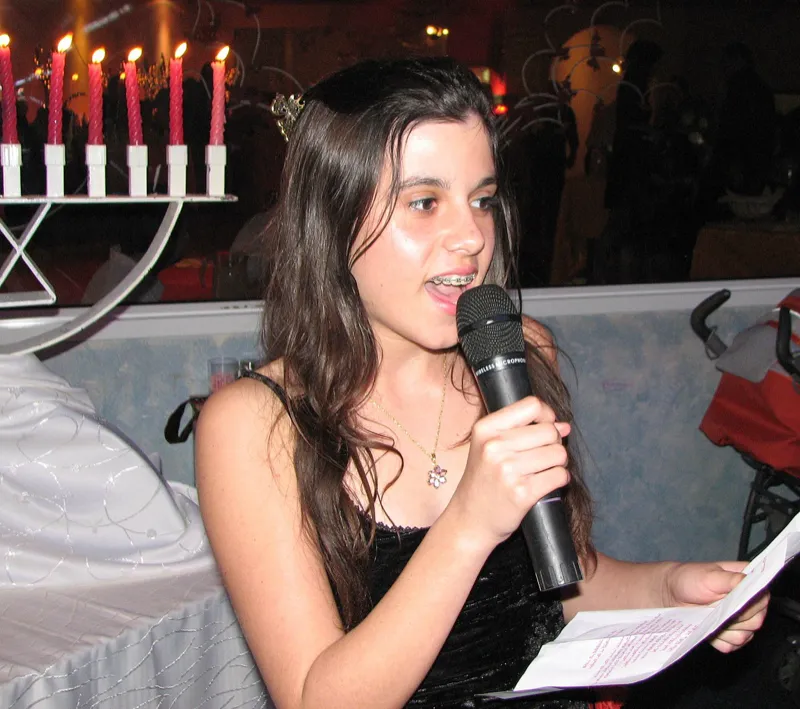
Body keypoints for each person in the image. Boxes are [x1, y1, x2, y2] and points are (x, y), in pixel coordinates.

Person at [194, 57, 768, 709]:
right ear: (332, 220)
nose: (471, 236)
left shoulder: (517, 354)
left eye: (483, 200)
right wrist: (469, 523)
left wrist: (669, 588)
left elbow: (562, 583)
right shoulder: (255, 424)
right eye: (424, 202)